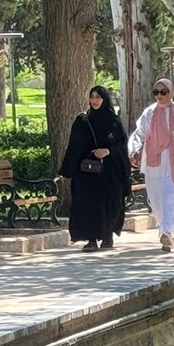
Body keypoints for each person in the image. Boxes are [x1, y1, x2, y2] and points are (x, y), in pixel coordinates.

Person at [128, 78, 174, 252]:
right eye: (157, 92)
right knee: (157, 201)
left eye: (164, 92)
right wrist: (134, 150)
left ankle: (167, 232)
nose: (160, 96)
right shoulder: (150, 113)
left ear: (171, 92)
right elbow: (139, 134)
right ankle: (168, 233)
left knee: (172, 198)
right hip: (154, 162)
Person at [58, 85, 132, 251]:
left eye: (98, 97)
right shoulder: (83, 121)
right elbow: (74, 146)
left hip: (109, 172)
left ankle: (107, 235)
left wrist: (107, 151)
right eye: (92, 97)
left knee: (109, 203)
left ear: (105, 99)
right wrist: (67, 169)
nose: (95, 100)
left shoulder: (113, 121)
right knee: (88, 204)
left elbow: (121, 146)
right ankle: (91, 239)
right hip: (87, 173)